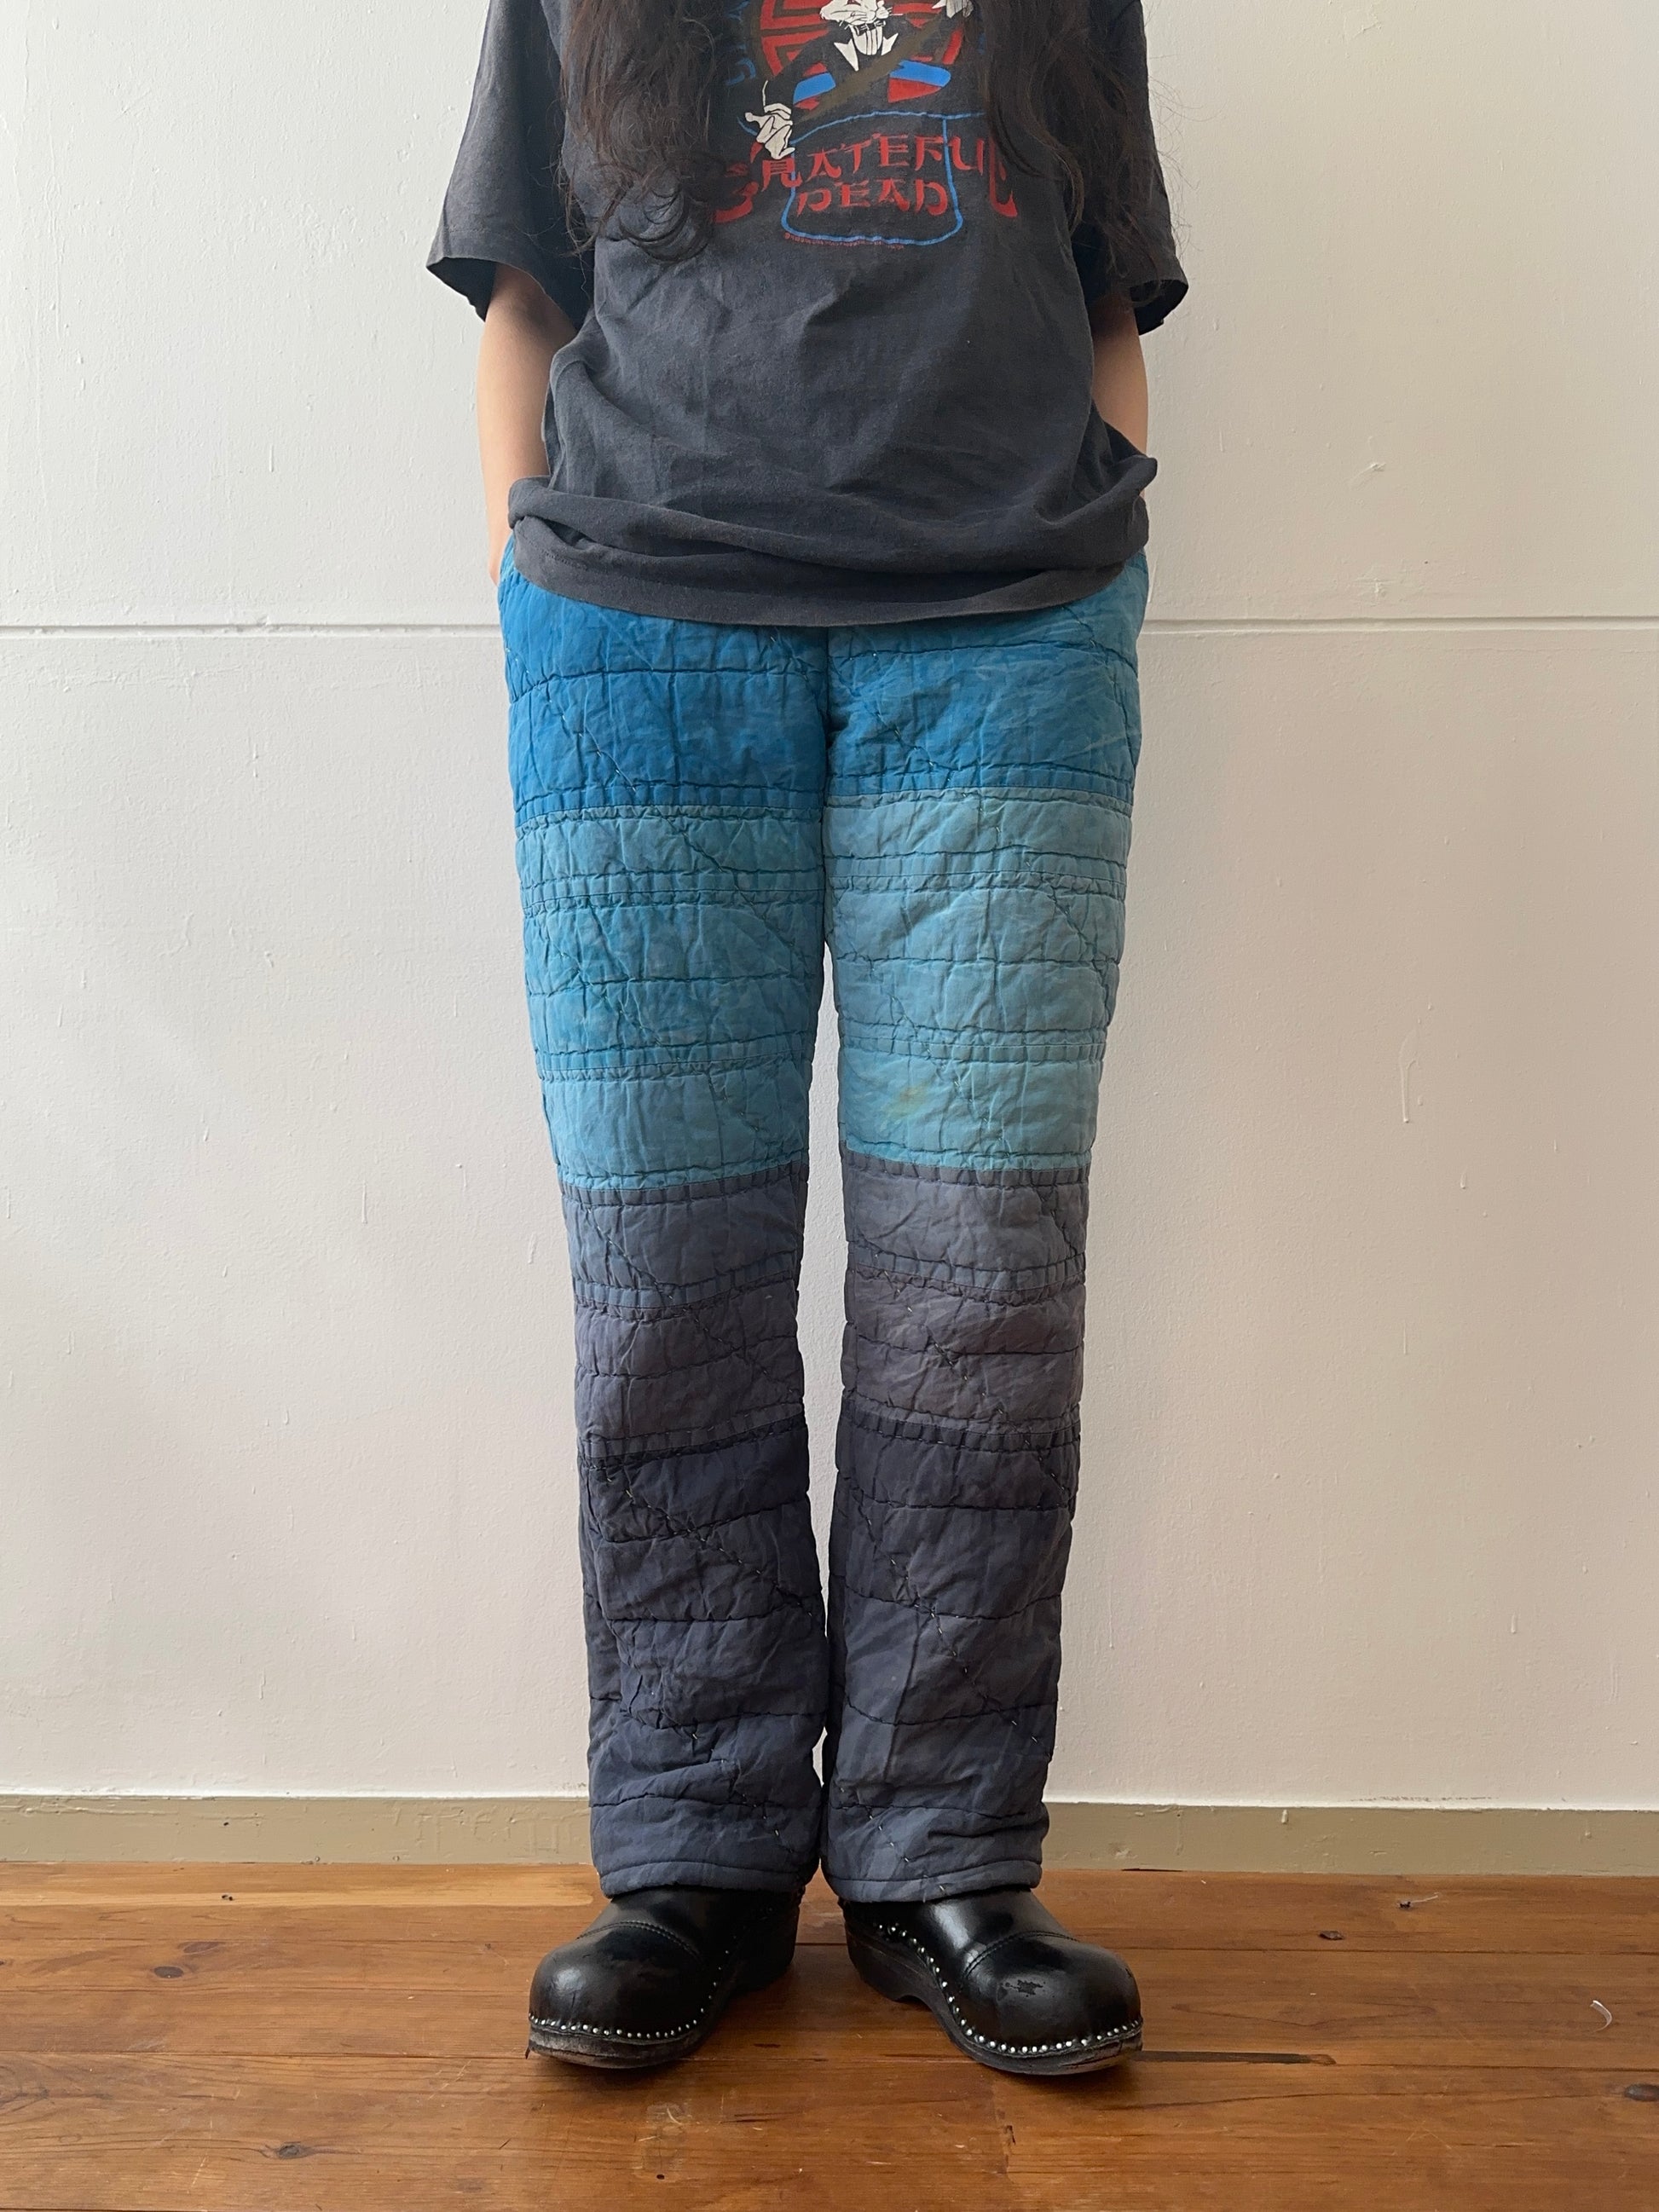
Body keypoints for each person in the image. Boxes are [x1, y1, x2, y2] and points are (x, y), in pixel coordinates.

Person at [428, 0, 1186, 2078]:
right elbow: (522, 293)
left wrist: (1108, 556)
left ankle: (945, 1853)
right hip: (638, 637)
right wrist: (526, 571)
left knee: (982, 1279)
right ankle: (699, 1849)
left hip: (1012, 637)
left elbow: (1106, 290)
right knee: (664, 1270)